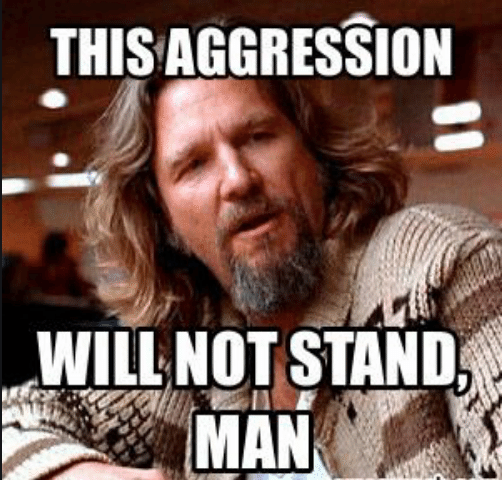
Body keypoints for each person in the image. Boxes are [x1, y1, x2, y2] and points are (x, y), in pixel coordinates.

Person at [3, 28, 502, 480]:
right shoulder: (193, 349)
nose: (238, 180)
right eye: (194, 165)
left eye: (258, 137)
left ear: (315, 155)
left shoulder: (442, 267)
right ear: (165, 221)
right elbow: (16, 416)